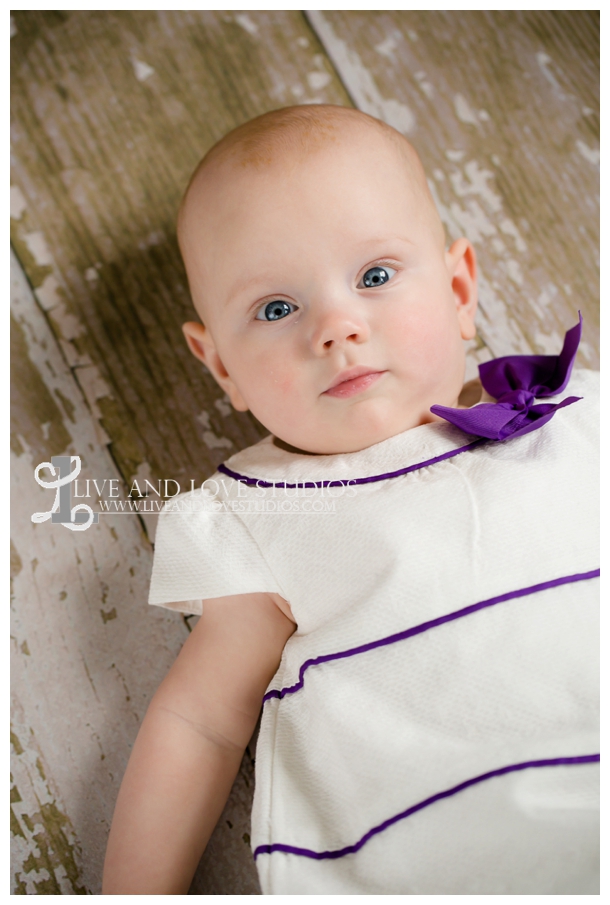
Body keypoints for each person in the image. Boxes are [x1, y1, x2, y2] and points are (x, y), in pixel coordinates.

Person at [102, 105, 599, 894]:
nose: (336, 327)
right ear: (220, 364)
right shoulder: (264, 515)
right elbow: (198, 722)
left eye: (374, 276)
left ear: (460, 287)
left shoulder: (582, 423)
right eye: (275, 308)